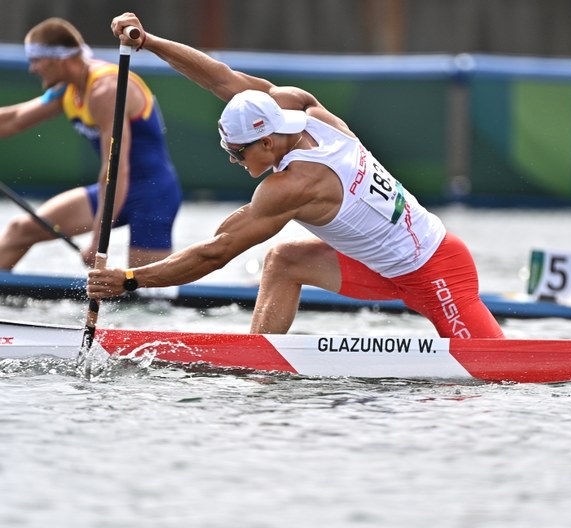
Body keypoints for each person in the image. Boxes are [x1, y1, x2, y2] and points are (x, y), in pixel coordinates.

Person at [88, 12, 503, 339]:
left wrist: (127, 280)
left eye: (237, 152)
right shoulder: (297, 108)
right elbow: (221, 78)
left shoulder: (295, 186)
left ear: (267, 143)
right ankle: (260, 364)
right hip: (379, 266)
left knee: (496, 379)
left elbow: (216, 255)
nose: (233, 160)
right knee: (285, 259)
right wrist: (150, 42)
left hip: (435, 271)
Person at [0, 17, 182, 270]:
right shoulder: (69, 89)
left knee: (148, 294)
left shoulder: (105, 91)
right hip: (111, 189)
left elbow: (115, 170)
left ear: (59, 58)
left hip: (152, 195)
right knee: (20, 231)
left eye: (36, 60)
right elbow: (13, 120)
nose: (32, 68)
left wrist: (97, 241)